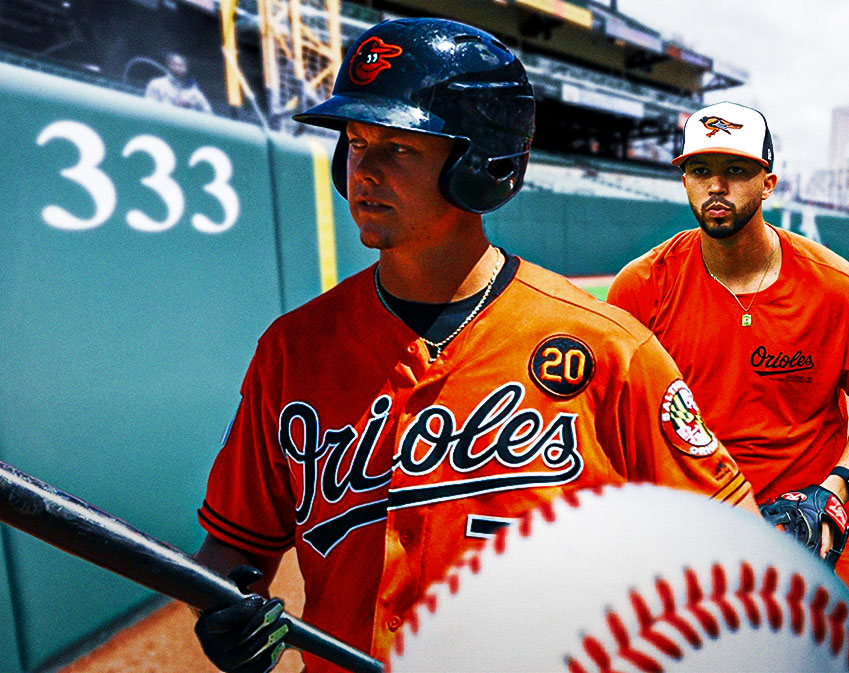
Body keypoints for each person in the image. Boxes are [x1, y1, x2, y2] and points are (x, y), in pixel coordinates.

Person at [189, 19, 757, 673]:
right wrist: (226, 610)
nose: (362, 170)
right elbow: (235, 550)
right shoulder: (292, 351)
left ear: (482, 163)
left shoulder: (607, 347)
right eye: (354, 141)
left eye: (399, 147)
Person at [607, 101, 849, 673]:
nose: (716, 186)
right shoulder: (642, 286)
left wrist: (836, 487)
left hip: (811, 528)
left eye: (737, 170)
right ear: (684, 180)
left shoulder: (839, 290)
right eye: (700, 171)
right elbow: (609, 415)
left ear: (768, 183)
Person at [144, 53, 212, 113]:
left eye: (182, 65)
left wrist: (190, 107)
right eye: (175, 64)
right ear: (169, 66)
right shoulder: (156, 84)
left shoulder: (194, 93)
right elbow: (149, 109)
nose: (178, 68)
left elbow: (208, 112)